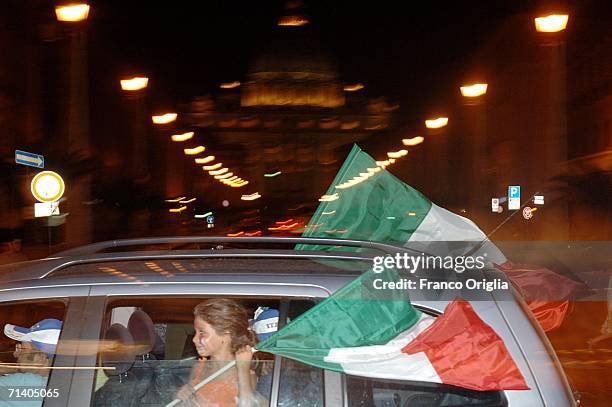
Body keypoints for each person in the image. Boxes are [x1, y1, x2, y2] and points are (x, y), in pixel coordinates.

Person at [176, 299, 265, 406]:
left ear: (226, 332)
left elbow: (248, 404)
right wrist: (182, 398)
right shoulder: (199, 369)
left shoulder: (245, 373)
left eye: (202, 332)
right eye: (195, 332)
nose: (194, 339)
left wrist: (242, 369)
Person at [0, 319, 62, 407]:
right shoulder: (56, 385)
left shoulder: (25, 383)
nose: (15, 354)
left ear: (41, 358)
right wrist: (10, 369)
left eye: (21, 349)